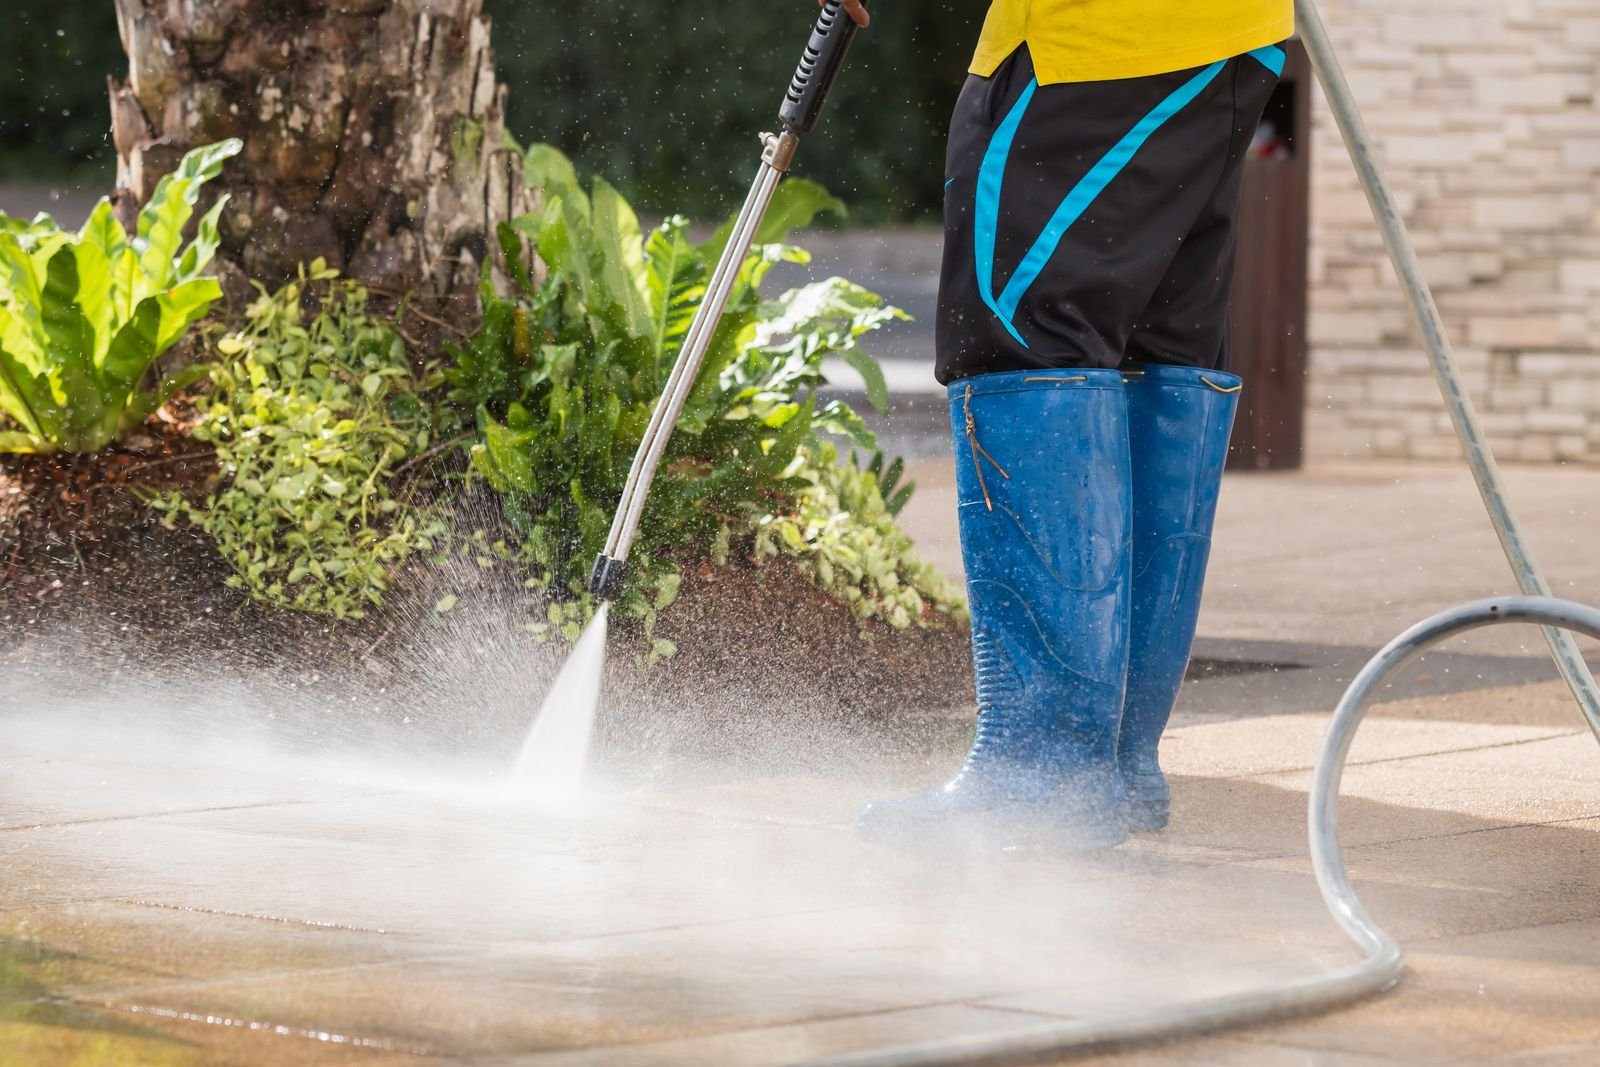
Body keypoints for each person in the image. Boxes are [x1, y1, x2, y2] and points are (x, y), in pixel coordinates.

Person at [832, 0, 1294, 848]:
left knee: (1023, 334)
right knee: (1151, 352)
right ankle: (1110, 770)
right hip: (1226, 41)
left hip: (1096, 46)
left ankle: (1041, 771)